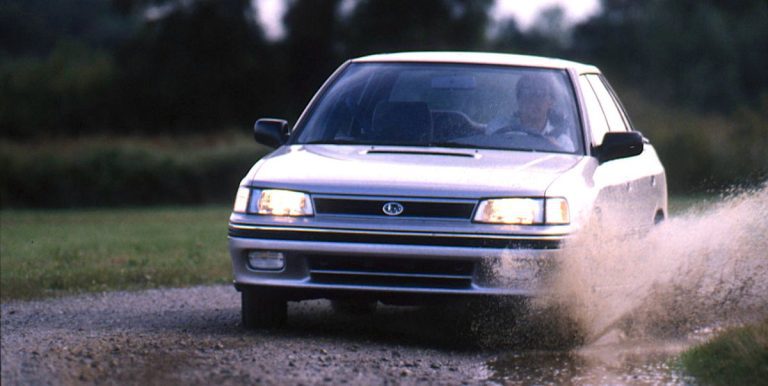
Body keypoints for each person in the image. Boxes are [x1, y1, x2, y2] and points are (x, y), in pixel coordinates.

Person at [489, 74, 576, 152]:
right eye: (527, 93)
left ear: (551, 101)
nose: (534, 100)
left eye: (541, 94)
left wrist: (556, 151)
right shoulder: (498, 128)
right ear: (519, 99)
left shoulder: (563, 143)